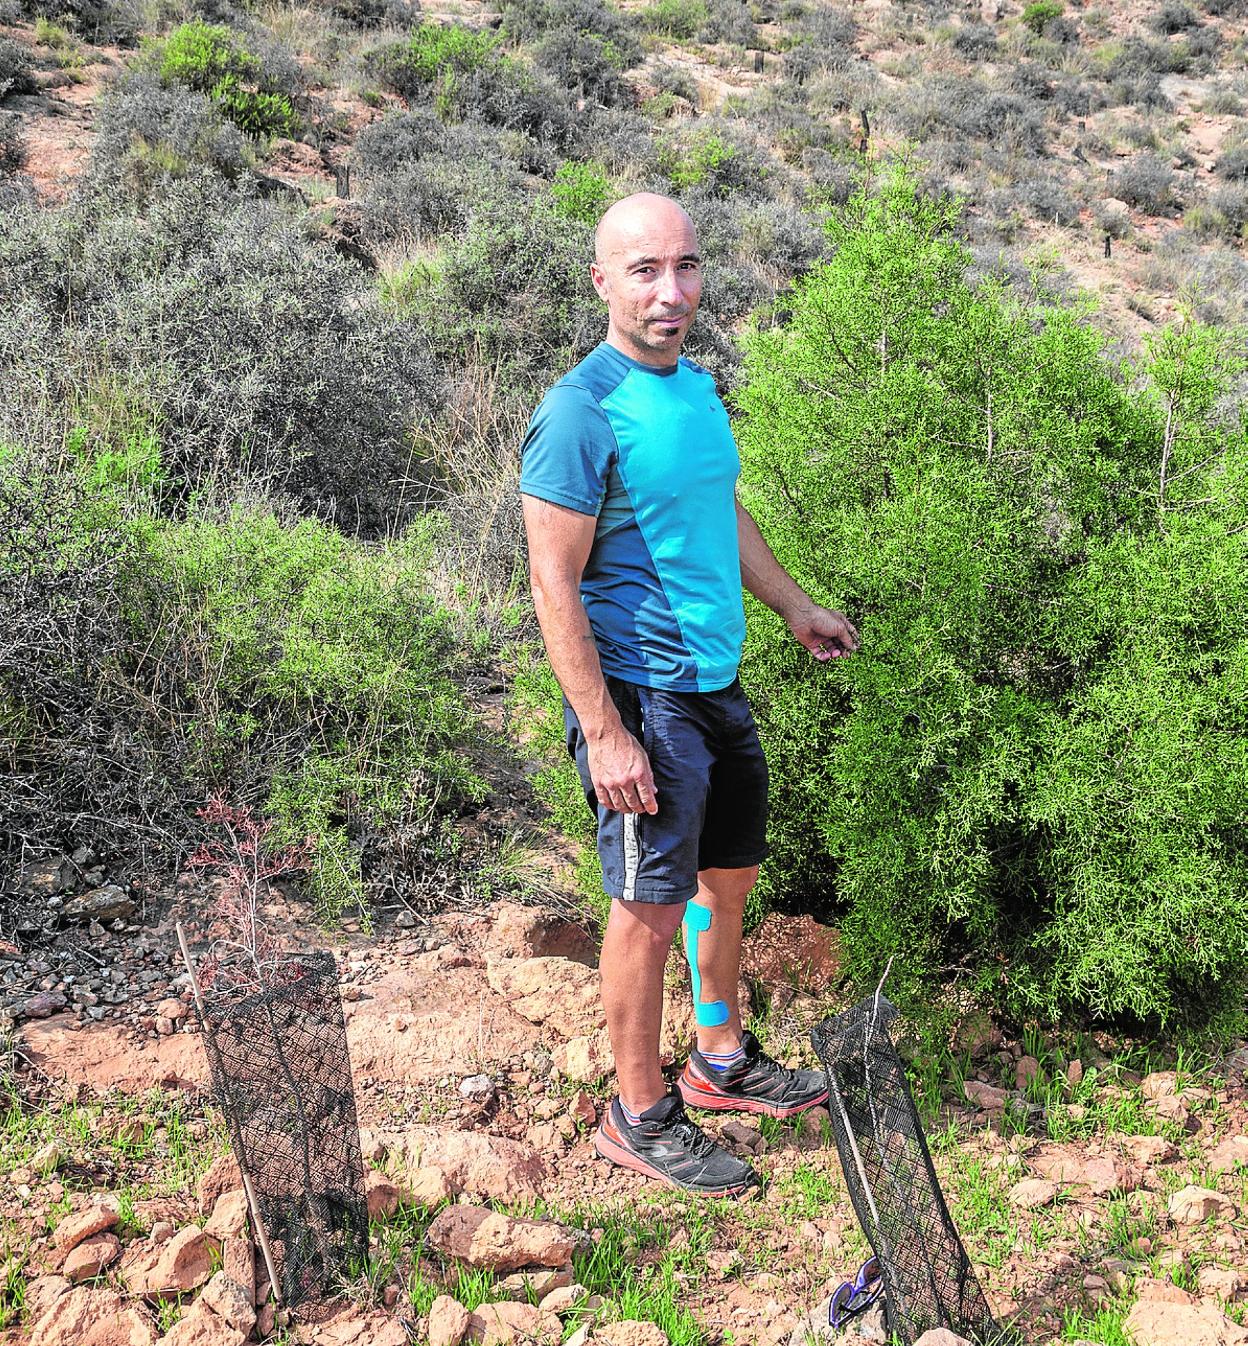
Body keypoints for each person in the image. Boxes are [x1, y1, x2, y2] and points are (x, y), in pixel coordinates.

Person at [519, 192, 859, 1196]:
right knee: (645, 907)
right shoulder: (580, 411)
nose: (671, 292)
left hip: (717, 681)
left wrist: (794, 605)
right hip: (644, 697)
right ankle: (637, 1109)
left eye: (686, 266)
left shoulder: (695, 386)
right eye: (644, 271)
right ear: (601, 282)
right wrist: (604, 730)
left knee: (728, 875)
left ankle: (718, 1058)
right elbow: (552, 579)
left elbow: (719, 507)